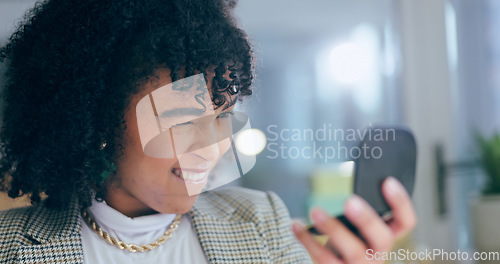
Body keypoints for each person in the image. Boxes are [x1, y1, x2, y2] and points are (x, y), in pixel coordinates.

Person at [0, 0, 416, 263]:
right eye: (181, 120)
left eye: (222, 114)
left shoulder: (260, 224)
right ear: (96, 119)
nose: (213, 147)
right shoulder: (10, 247)